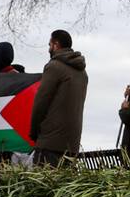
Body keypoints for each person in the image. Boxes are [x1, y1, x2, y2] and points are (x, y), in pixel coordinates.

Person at [29, 29, 87, 166]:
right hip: (72, 143)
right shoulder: (83, 73)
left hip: (50, 142)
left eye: (49, 45)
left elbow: (41, 101)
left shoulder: (54, 67)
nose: (49, 49)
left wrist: (34, 131)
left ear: (56, 44)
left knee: (43, 185)